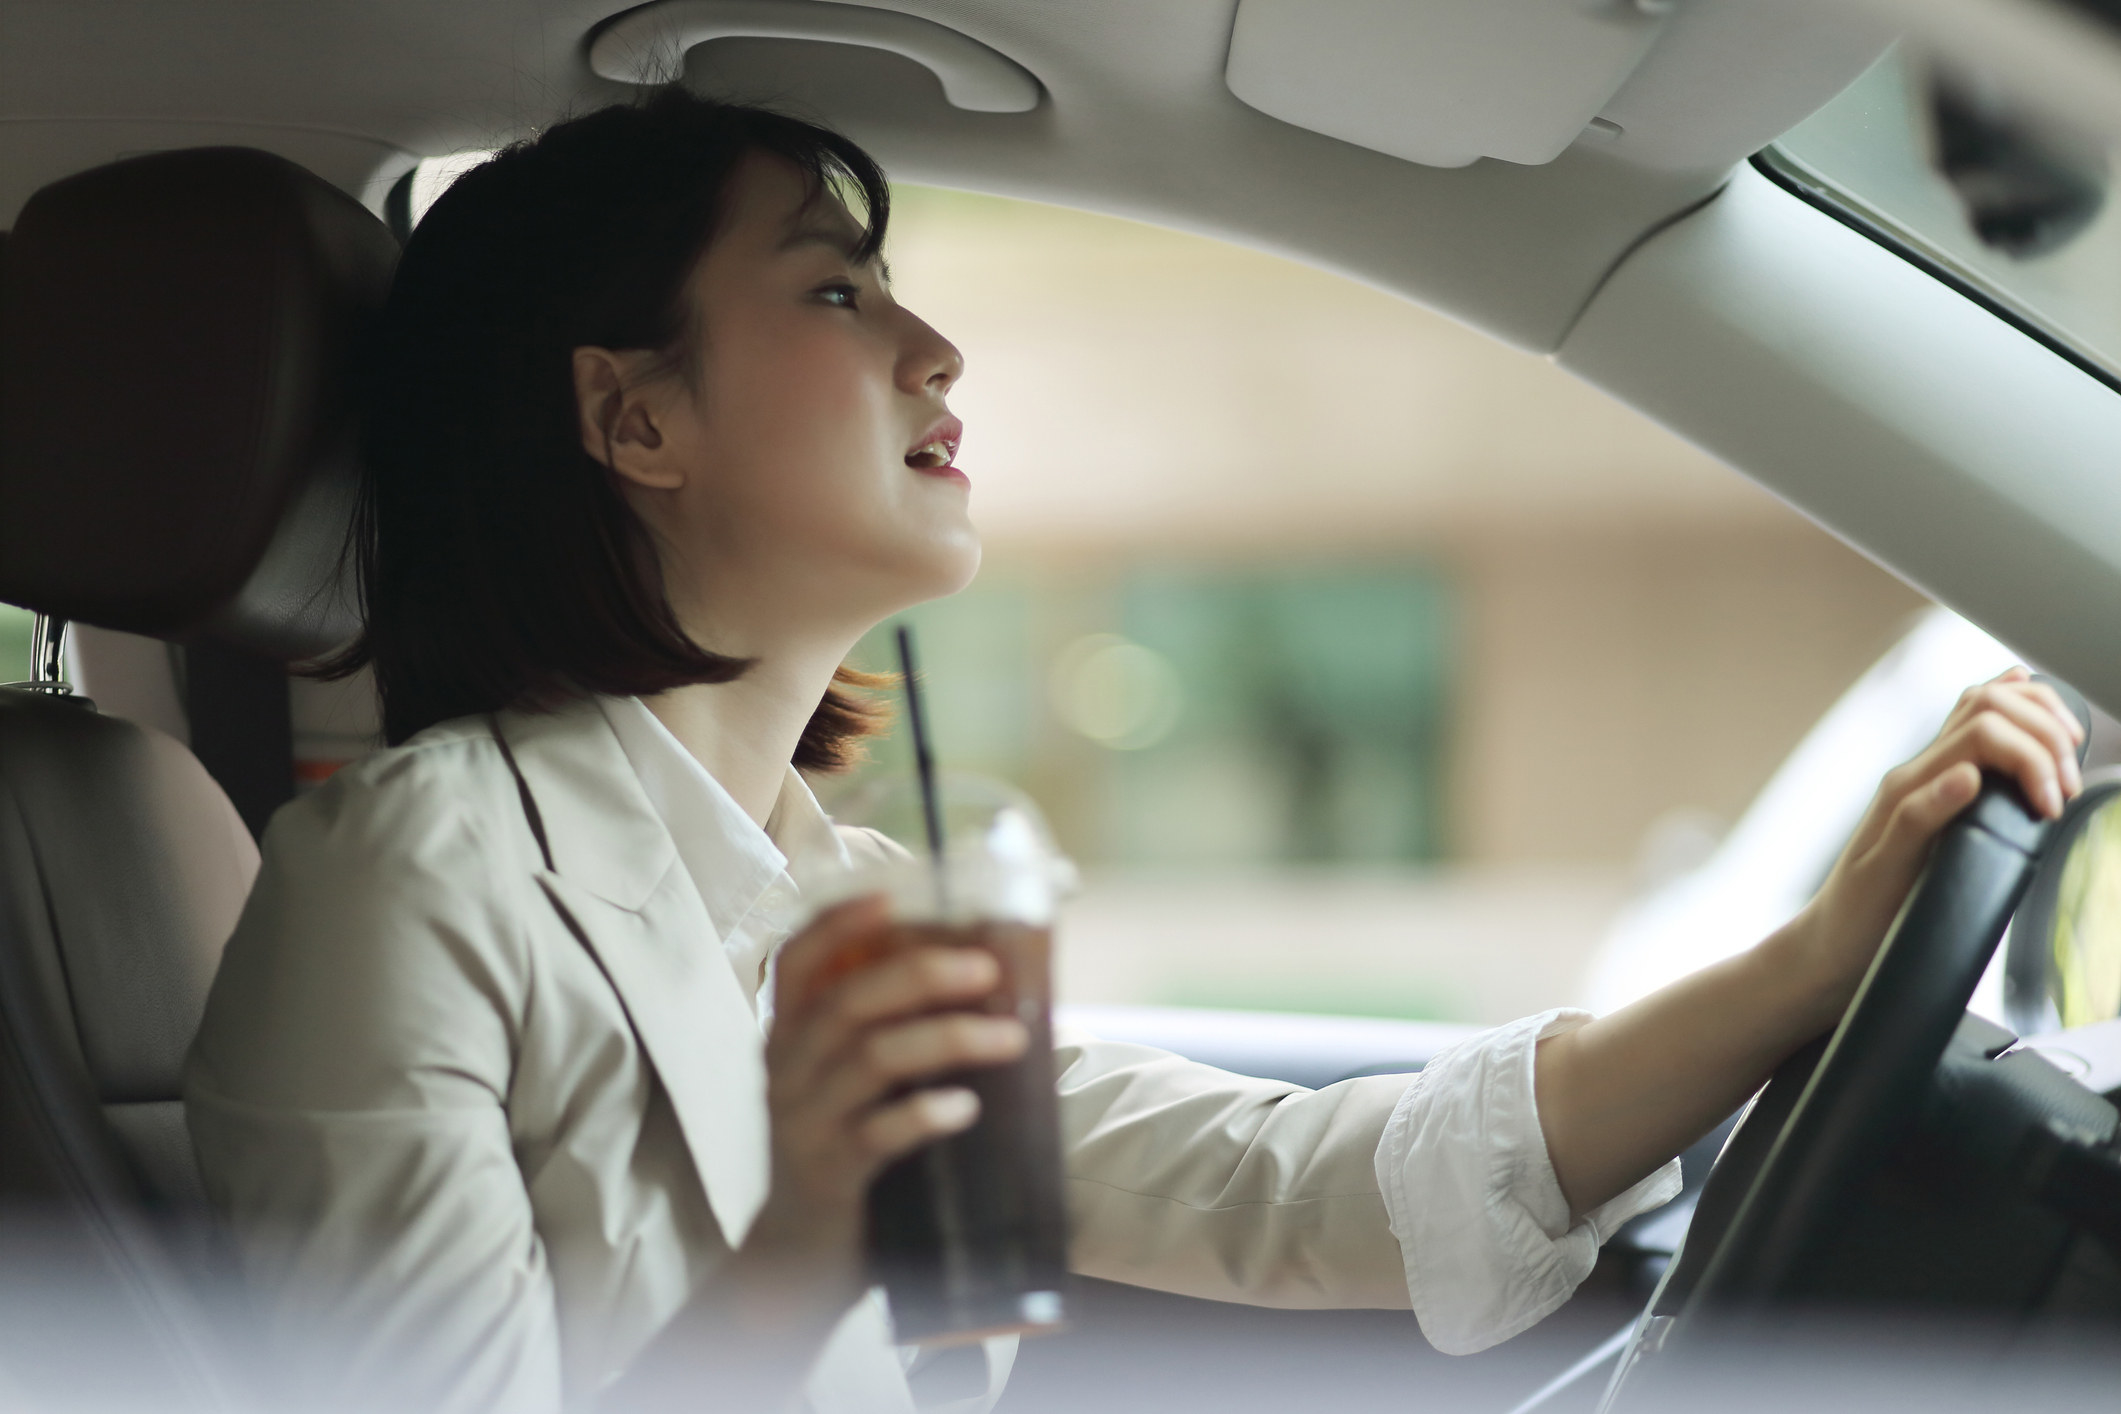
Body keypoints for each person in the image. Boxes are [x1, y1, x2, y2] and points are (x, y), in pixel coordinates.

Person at [183, 92, 2087, 1414]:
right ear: (634, 419)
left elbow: (1290, 1191)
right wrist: (811, 1234)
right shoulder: (413, 882)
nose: (934, 349)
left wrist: (1810, 966)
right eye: (835, 290)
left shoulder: (822, 890)